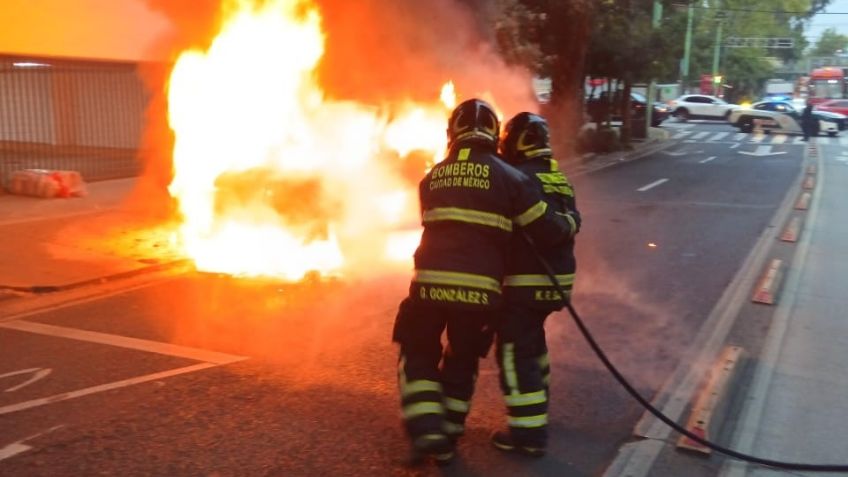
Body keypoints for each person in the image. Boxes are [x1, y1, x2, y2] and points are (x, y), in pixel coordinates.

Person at [391, 99, 578, 465]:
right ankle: (450, 428)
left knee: (418, 350)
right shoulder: (512, 179)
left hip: (428, 286)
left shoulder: (431, 177)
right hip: (482, 293)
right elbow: (544, 228)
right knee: (461, 358)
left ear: (453, 133)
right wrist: (569, 221)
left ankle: (430, 429)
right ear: (494, 134)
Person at [491, 112, 580, 457]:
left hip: (525, 282)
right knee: (533, 346)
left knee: (514, 351)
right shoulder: (559, 178)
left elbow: (531, 227)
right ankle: (537, 410)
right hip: (555, 283)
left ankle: (528, 434)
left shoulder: (520, 180)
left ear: (519, 141)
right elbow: (569, 220)